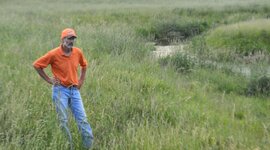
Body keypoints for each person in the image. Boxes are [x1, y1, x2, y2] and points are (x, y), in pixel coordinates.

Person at [33, 28, 94, 149]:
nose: (71, 41)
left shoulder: (78, 52)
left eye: (73, 38)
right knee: (63, 121)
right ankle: (68, 147)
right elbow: (37, 65)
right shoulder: (54, 54)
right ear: (62, 39)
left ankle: (88, 147)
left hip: (74, 91)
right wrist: (49, 80)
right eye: (68, 38)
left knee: (83, 120)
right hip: (60, 91)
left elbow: (84, 65)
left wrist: (81, 81)